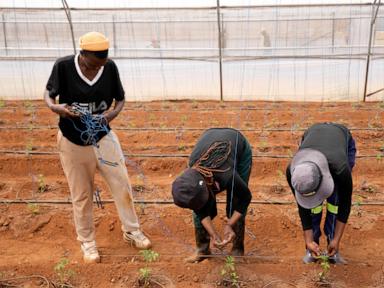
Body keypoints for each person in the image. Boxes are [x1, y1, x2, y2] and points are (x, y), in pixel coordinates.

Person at [44, 31, 151, 263]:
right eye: (92, 66)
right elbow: (49, 94)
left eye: (100, 65)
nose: (96, 69)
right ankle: (88, 243)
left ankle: (132, 231)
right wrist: (58, 109)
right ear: (82, 55)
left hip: (103, 137)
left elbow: (120, 99)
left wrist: (110, 115)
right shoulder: (63, 66)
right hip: (73, 140)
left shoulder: (109, 67)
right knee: (81, 195)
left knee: (121, 183)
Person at [172, 128, 252, 263]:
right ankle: (203, 250)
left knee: (235, 200)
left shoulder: (227, 174)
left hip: (239, 147)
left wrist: (229, 224)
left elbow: (246, 198)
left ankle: (237, 250)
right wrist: (213, 234)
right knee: (197, 202)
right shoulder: (192, 169)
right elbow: (199, 209)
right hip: (209, 138)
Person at [286, 122, 356, 264]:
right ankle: (313, 246)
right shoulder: (293, 172)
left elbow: (345, 204)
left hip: (341, 137)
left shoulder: (340, 169)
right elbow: (302, 207)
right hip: (313, 133)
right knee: (313, 207)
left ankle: (332, 245)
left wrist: (336, 240)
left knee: (335, 199)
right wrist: (308, 240)